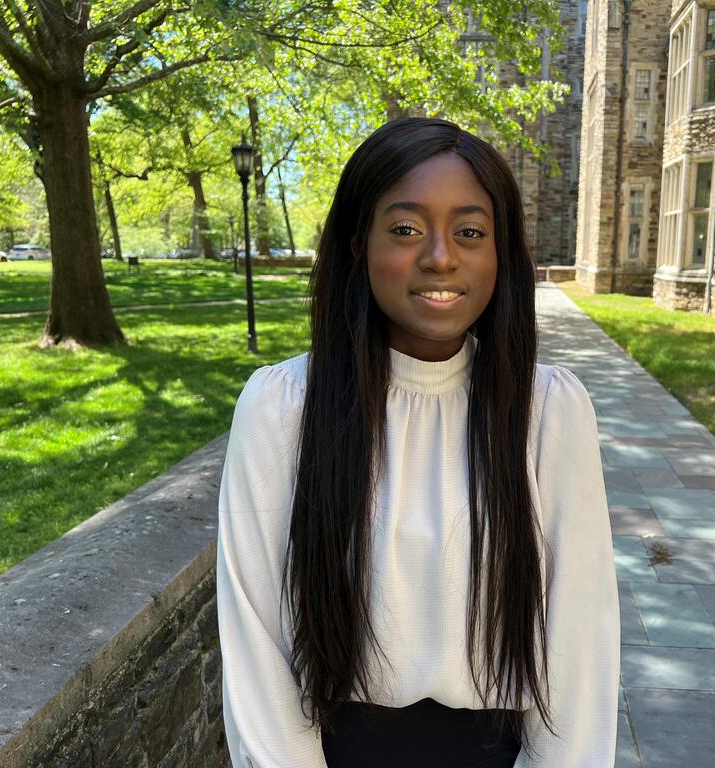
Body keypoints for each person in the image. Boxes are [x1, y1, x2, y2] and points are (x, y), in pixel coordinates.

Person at [216, 116, 619, 768]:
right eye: (405, 229)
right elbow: (256, 638)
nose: (439, 255)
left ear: (500, 253)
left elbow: (580, 636)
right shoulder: (284, 408)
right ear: (356, 245)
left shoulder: (547, 410)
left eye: (469, 232)